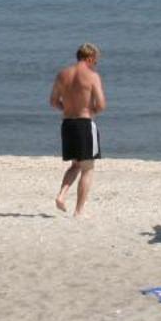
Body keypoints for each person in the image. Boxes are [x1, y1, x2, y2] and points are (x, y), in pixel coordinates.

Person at [48, 43, 106, 217]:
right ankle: (79, 211)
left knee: (75, 165)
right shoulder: (92, 76)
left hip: (67, 123)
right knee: (88, 168)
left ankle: (62, 195)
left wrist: (67, 109)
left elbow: (53, 101)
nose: (96, 64)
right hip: (84, 124)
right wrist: (91, 112)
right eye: (96, 61)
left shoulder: (62, 74)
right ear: (90, 58)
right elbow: (101, 105)